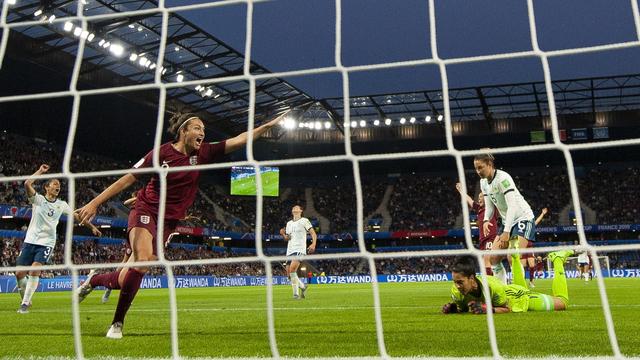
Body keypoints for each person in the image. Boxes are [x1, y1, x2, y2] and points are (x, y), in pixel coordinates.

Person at [75, 111, 286, 338]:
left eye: (203, 129)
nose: (202, 133)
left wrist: (267, 126)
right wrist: (95, 203)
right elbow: (127, 178)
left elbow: (239, 139)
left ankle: (94, 280)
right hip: (145, 210)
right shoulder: (160, 154)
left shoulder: (203, 153)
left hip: (169, 221)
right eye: (197, 128)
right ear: (183, 131)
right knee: (143, 259)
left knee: (130, 274)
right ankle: (117, 324)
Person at [16, 164, 101, 313]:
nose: (58, 187)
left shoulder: (62, 205)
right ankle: (26, 299)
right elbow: (27, 183)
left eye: (59, 185)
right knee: (19, 274)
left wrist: (92, 227)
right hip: (30, 240)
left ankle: (24, 303)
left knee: (35, 270)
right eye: (55, 184)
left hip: (46, 242)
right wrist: (40, 171)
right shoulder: (38, 200)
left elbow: (78, 217)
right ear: (47, 188)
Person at [442, 250, 573, 314]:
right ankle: (515, 256)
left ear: (471, 279)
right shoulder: (456, 292)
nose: (457, 286)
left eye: (460, 282)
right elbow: (465, 308)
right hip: (506, 291)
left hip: (518, 298)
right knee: (519, 286)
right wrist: (455, 309)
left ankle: (557, 259)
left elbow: (508, 308)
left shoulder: (492, 286)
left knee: (562, 303)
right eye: (455, 282)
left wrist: (490, 309)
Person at [474, 152, 535, 284]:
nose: (478, 171)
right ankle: (502, 291)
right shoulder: (483, 182)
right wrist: (485, 220)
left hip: (522, 218)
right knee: (493, 258)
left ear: (489, 165)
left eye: (480, 167)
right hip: (507, 221)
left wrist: (506, 232)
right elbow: (490, 206)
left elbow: (512, 206)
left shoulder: (503, 178)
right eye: (476, 168)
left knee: (513, 256)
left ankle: (520, 291)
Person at [456, 182, 498, 275]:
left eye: (481, 197)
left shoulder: (492, 207)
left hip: (490, 237)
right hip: (482, 239)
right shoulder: (479, 208)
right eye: (478, 197)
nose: (479, 199)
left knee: (487, 260)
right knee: (485, 262)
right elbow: (470, 200)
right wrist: (461, 191)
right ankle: (493, 280)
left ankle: (489, 283)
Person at [279, 205, 317, 299]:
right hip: (290, 250)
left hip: (299, 249)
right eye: (293, 208)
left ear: (301, 210)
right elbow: (288, 238)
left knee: (292, 270)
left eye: (297, 208)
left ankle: (295, 295)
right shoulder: (289, 223)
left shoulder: (304, 220)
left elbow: (313, 233)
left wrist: (313, 244)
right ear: (292, 211)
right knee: (289, 274)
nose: (295, 209)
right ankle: (303, 287)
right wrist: (283, 234)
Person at [524, 208, 549, 288]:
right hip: (522, 247)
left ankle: (531, 282)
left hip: (530, 247)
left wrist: (542, 214)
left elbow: (537, 221)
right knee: (522, 266)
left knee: (532, 266)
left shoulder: (531, 226)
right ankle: (521, 281)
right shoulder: (520, 227)